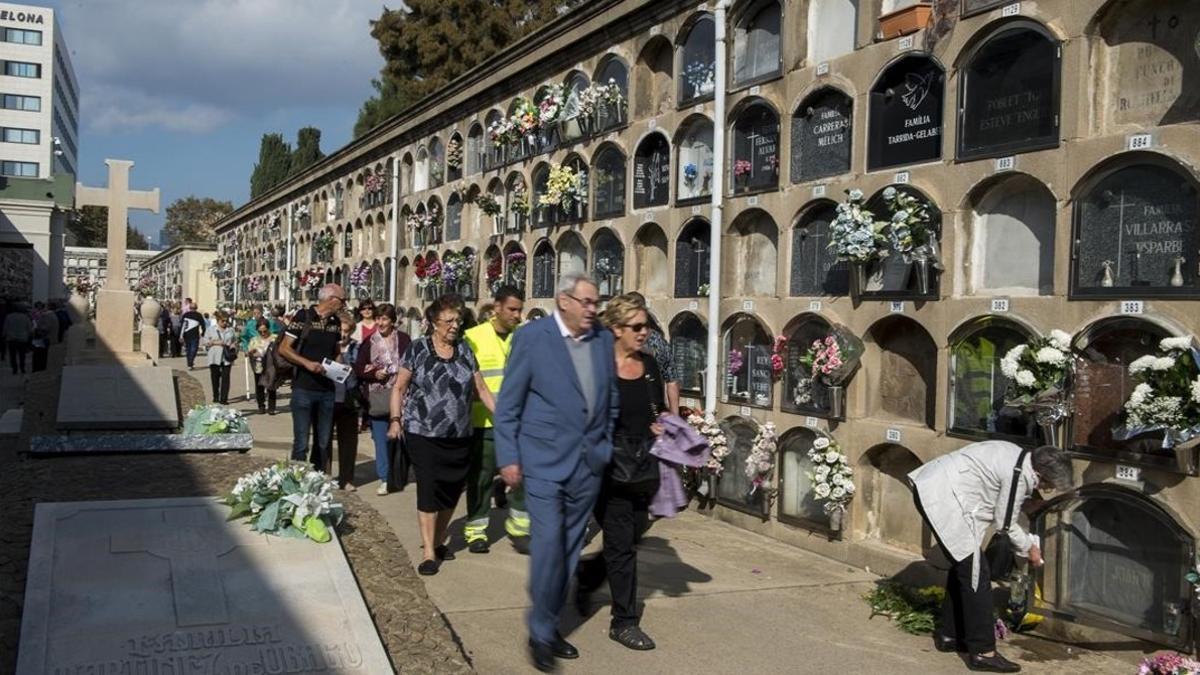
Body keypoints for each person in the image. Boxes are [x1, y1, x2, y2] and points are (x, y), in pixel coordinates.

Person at [494, 273, 618, 672]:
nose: (592, 309)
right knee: (548, 547)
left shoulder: (601, 338)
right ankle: (541, 632)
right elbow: (509, 404)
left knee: (567, 551)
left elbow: (609, 394)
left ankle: (547, 620)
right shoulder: (533, 338)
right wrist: (509, 457)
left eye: (596, 302)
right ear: (563, 301)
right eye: (586, 302)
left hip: (588, 463)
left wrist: (606, 440)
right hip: (544, 460)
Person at [909, 441, 1075, 673]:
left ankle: (950, 635)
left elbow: (996, 490)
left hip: (933, 485)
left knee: (964, 568)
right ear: (1040, 473)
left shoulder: (1018, 454)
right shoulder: (1020, 474)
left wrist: (1025, 503)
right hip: (942, 498)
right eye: (1047, 484)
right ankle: (983, 652)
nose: (1043, 488)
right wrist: (1030, 548)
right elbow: (1004, 524)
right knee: (977, 575)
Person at [575, 294, 664, 651]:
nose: (645, 333)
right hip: (605, 470)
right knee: (623, 545)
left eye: (647, 326)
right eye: (637, 327)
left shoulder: (651, 366)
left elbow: (653, 413)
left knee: (631, 537)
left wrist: (663, 426)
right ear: (616, 329)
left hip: (642, 468)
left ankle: (588, 575)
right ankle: (624, 622)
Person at [387, 295, 496, 576]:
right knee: (428, 487)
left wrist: (503, 417)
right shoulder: (418, 349)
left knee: (451, 489)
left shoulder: (465, 350)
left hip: (458, 433)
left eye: (458, 320)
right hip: (422, 431)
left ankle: (437, 539)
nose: (454, 326)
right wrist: (396, 420)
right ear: (434, 322)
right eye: (449, 321)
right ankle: (428, 552)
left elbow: (481, 389)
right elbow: (399, 387)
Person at [462, 285, 530, 554]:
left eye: (520, 309)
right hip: (483, 423)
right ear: (497, 307)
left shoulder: (523, 338)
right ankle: (476, 530)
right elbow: (467, 382)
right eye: (512, 309)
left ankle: (520, 527)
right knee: (480, 480)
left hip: (518, 425)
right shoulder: (473, 337)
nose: (517, 315)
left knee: (522, 476)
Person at [278, 283, 346, 472]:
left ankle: (317, 482)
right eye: (342, 300)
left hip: (327, 390)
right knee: (301, 441)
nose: (344, 304)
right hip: (304, 388)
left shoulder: (335, 323)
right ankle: (296, 480)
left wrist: (340, 367)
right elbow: (284, 348)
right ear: (332, 300)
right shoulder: (303, 316)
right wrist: (307, 363)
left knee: (323, 442)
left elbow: (336, 352)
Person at [354, 303, 411, 495]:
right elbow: (359, 368)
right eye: (378, 318)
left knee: (401, 438)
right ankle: (385, 477)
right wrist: (374, 374)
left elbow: (412, 363)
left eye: (384, 318)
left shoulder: (403, 339)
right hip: (378, 396)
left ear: (393, 321)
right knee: (381, 440)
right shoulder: (369, 342)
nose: (380, 322)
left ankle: (400, 473)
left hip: (402, 394)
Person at [624, 291, 679, 415]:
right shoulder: (659, 340)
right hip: (655, 410)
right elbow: (672, 380)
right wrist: (675, 417)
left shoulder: (622, 338)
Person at [331, 312, 362, 490]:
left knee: (349, 441)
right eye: (340, 331)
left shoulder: (357, 348)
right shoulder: (328, 347)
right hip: (329, 396)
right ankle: (325, 476)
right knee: (325, 439)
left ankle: (347, 478)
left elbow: (359, 371)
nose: (343, 335)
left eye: (346, 331)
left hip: (349, 397)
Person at [204, 311, 238, 404]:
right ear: (218, 321)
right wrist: (215, 342)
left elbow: (235, 340)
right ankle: (216, 396)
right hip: (214, 357)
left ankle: (224, 398)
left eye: (226, 321)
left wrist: (233, 345)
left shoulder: (230, 330)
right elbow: (205, 342)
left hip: (226, 357)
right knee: (215, 377)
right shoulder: (210, 329)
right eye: (223, 321)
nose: (225, 323)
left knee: (226, 378)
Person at [247, 318, 278, 414]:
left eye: (265, 331)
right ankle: (261, 405)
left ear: (268, 329)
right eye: (260, 331)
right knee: (259, 385)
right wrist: (251, 353)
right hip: (258, 365)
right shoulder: (254, 340)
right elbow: (249, 352)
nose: (263, 333)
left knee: (271, 385)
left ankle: (271, 407)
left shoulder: (275, 338)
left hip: (271, 366)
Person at [3, 303, 32, 375]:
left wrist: (4, 335)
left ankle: (14, 369)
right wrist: (29, 336)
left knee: (12, 356)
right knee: (22, 355)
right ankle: (22, 368)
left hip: (12, 339)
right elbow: (29, 329)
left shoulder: (9, 317)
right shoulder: (25, 317)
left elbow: (5, 328)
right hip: (22, 339)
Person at [30, 301, 58, 372]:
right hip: (50, 338)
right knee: (42, 355)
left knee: (39, 355)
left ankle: (38, 369)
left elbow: (45, 328)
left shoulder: (47, 315)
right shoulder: (53, 315)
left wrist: (37, 329)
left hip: (44, 339)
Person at [181, 305, 206, 369]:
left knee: (188, 349)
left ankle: (189, 362)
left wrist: (181, 335)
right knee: (194, 349)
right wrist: (203, 333)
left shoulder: (185, 314)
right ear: (196, 308)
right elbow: (203, 324)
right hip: (195, 334)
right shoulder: (198, 315)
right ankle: (190, 362)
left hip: (186, 334)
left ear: (190, 308)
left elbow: (182, 325)